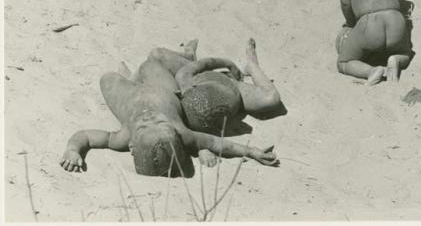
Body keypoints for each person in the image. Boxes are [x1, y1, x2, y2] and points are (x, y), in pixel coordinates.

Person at [59, 39, 280, 177]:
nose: (151, 119)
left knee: (109, 77)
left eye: (147, 125)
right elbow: (216, 142)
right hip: (163, 84)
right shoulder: (179, 131)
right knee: (149, 65)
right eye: (158, 124)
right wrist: (251, 151)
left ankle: (138, 74)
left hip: (137, 91)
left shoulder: (124, 137)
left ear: (133, 145)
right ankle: (138, 74)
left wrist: (73, 148)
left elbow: (86, 136)